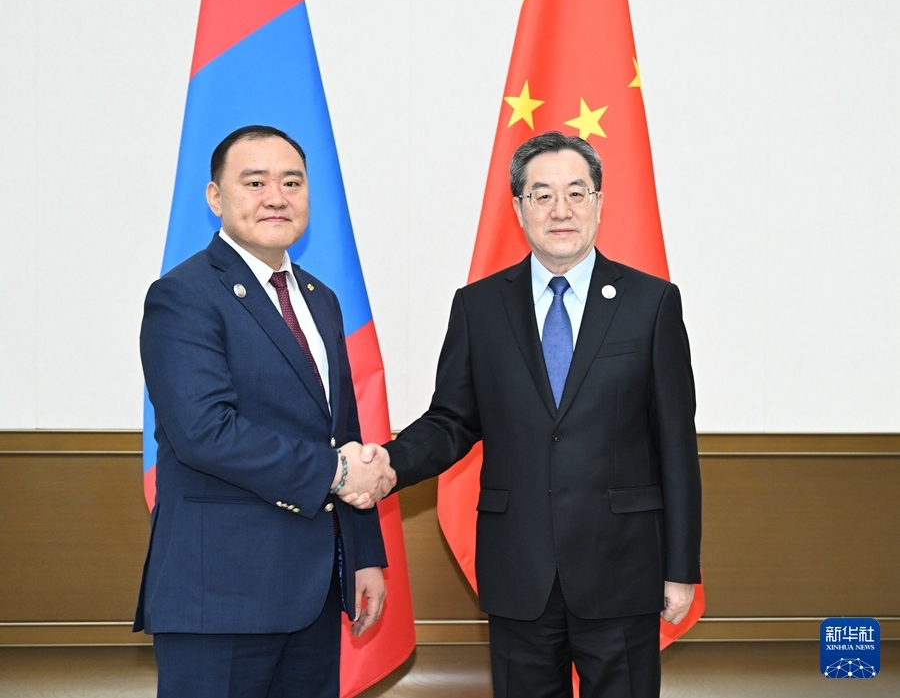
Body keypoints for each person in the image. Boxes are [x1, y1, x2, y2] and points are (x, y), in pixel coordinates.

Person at [382, 131, 702, 698]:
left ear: (599, 203)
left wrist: (680, 568)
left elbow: (675, 445)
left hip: (622, 568)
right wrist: (387, 465)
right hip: (519, 571)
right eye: (543, 195)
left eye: (576, 193)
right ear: (519, 207)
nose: (561, 210)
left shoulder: (652, 303)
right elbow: (451, 420)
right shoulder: (478, 306)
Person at [135, 125, 396, 698]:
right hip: (219, 595)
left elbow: (343, 436)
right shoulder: (183, 295)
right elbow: (205, 432)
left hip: (315, 591)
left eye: (291, 182)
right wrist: (336, 474)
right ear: (215, 197)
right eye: (255, 182)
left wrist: (363, 555)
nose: (276, 197)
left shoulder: (320, 299)